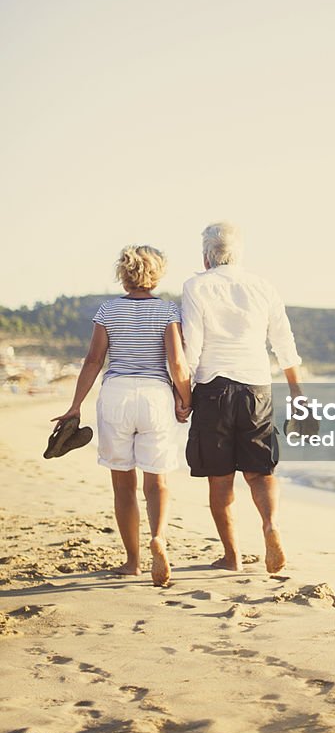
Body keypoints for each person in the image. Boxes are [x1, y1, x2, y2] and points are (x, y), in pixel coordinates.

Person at [51, 245, 191, 586]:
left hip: (116, 395)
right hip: (155, 396)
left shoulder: (107, 311)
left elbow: (93, 361)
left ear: (123, 274)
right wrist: (184, 400)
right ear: (156, 274)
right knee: (156, 480)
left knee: (122, 483)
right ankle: (157, 536)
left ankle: (132, 561)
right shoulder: (167, 311)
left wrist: (75, 405)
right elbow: (176, 363)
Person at [181, 221, 304, 574]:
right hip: (257, 388)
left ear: (206, 256)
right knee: (260, 472)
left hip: (213, 388)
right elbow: (284, 342)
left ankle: (231, 557)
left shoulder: (195, 286)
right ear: (239, 253)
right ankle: (270, 527)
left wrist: (184, 396)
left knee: (220, 478)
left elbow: (193, 345)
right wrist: (297, 392)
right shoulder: (262, 286)